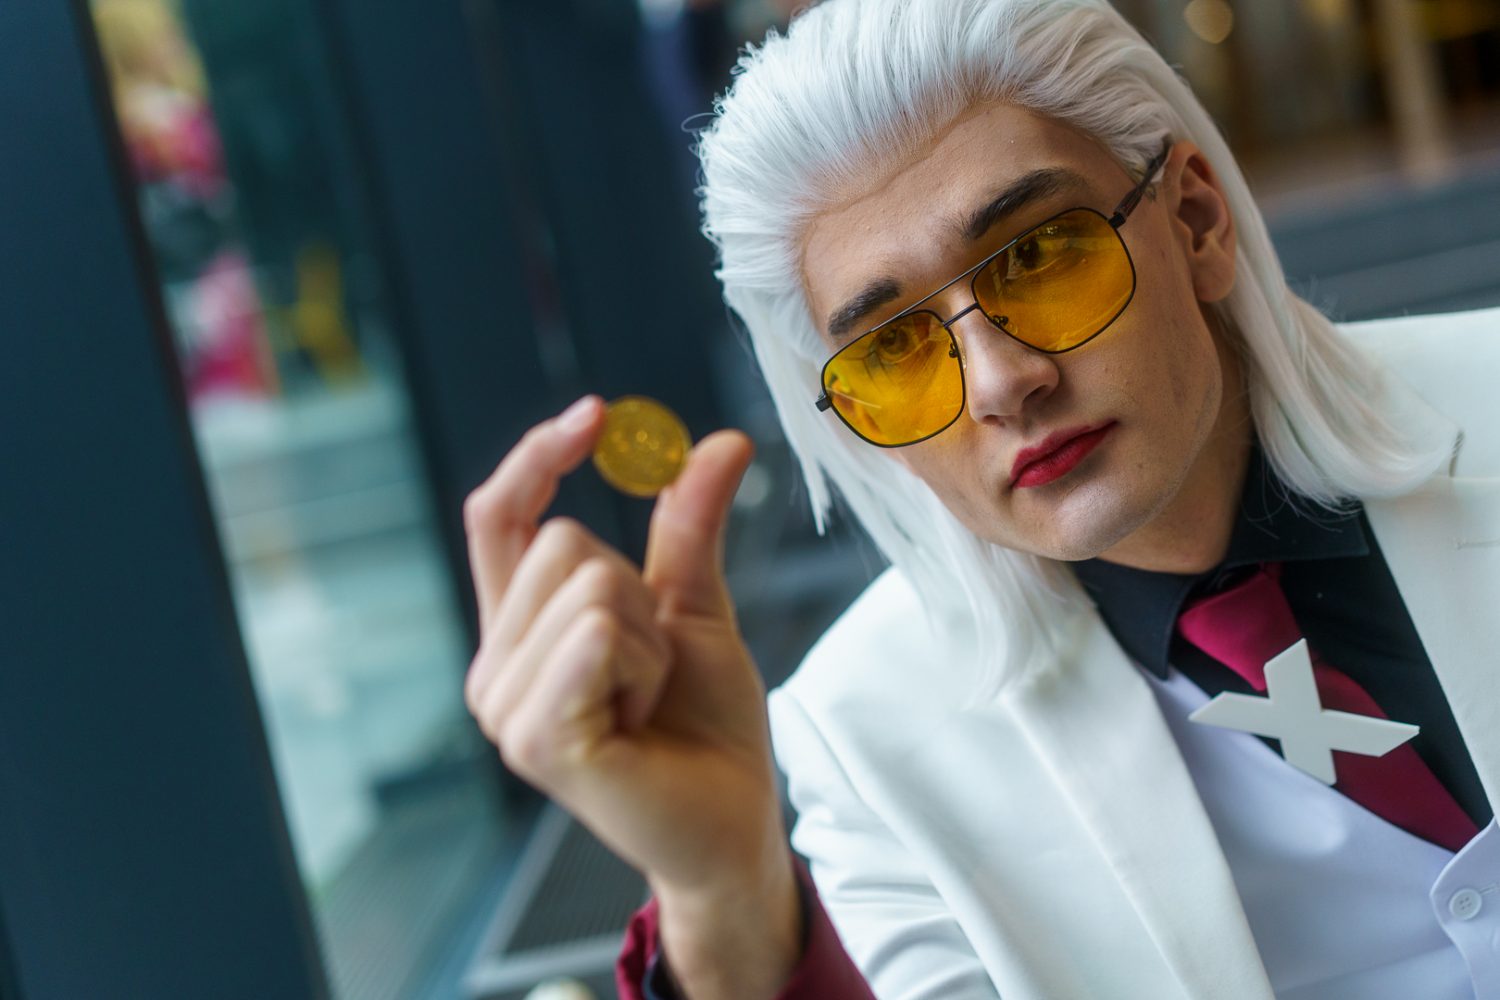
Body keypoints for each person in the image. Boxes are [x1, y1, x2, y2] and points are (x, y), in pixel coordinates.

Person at [460, 0, 1500, 997]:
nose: (1002, 382)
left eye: (1039, 256)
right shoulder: (866, 742)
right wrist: (723, 895)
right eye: (895, 349)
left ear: (1195, 219)